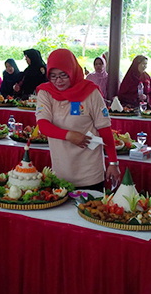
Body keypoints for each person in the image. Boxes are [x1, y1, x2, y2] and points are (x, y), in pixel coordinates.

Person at [36, 48, 121, 191]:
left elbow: (105, 129)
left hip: (90, 173)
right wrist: (69, 135)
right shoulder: (46, 92)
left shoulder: (90, 92)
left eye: (64, 75)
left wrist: (113, 163)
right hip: (61, 173)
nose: (58, 81)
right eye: (53, 76)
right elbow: (43, 126)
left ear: (72, 71)